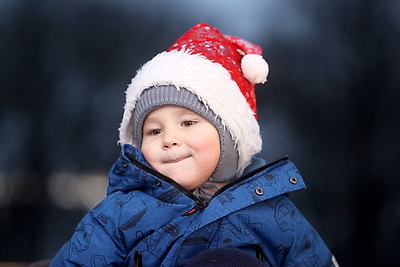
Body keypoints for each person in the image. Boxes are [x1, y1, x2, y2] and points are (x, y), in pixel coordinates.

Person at [50, 22, 338, 266]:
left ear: (229, 138)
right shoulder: (120, 213)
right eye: (153, 131)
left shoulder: (274, 215)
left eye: (188, 123)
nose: (169, 139)